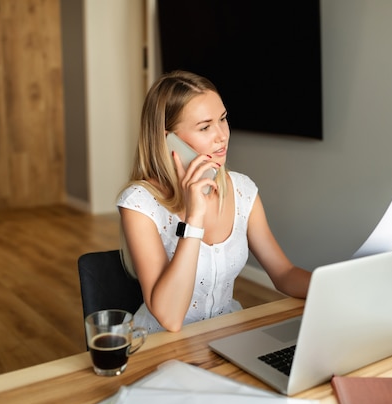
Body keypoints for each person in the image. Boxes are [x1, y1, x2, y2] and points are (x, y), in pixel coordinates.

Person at [117, 70, 311, 334]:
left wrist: (334, 288)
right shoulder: (139, 203)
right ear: (167, 139)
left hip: (225, 337)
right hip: (160, 347)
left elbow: (284, 274)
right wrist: (194, 218)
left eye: (223, 119)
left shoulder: (242, 190)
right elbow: (170, 319)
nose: (222, 135)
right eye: (205, 127)